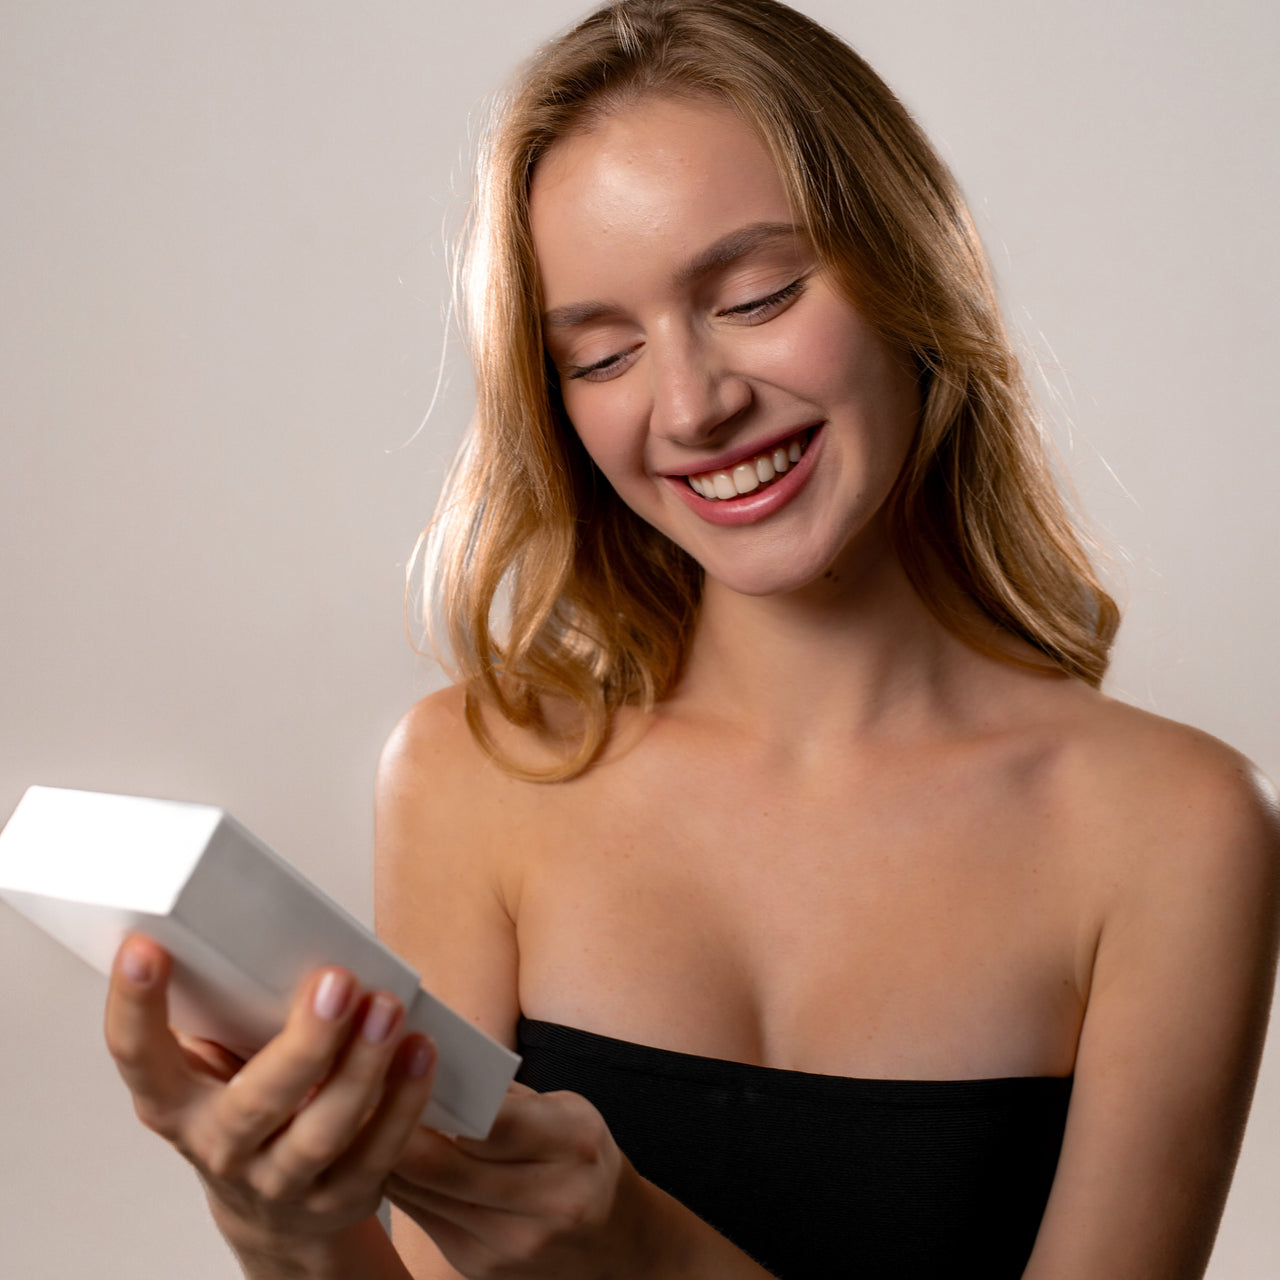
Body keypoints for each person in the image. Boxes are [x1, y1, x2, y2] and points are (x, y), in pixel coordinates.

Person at [103, 1, 1280, 1277]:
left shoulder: (1174, 827)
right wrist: (297, 1233)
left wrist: (640, 1250)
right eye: (600, 354)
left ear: (909, 272)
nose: (692, 404)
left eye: (755, 294)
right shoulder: (472, 772)